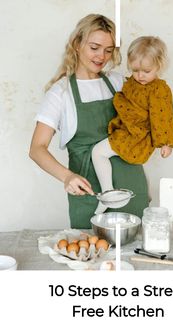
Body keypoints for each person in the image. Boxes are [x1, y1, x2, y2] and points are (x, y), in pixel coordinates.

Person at [29, 14, 149, 229]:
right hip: (90, 192)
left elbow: (150, 105)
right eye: (94, 47)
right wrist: (67, 177)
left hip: (132, 184)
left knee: (137, 253)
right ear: (77, 44)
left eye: (109, 50)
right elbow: (37, 149)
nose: (101, 56)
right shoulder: (61, 92)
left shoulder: (118, 81)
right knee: (92, 256)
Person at [92, 36, 173, 214]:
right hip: (127, 130)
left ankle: (107, 194)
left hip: (135, 136)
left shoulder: (159, 90)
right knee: (137, 167)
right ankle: (144, 196)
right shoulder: (132, 81)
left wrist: (166, 143)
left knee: (98, 152)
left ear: (159, 66)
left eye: (146, 71)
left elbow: (163, 116)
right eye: (135, 70)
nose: (140, 76)